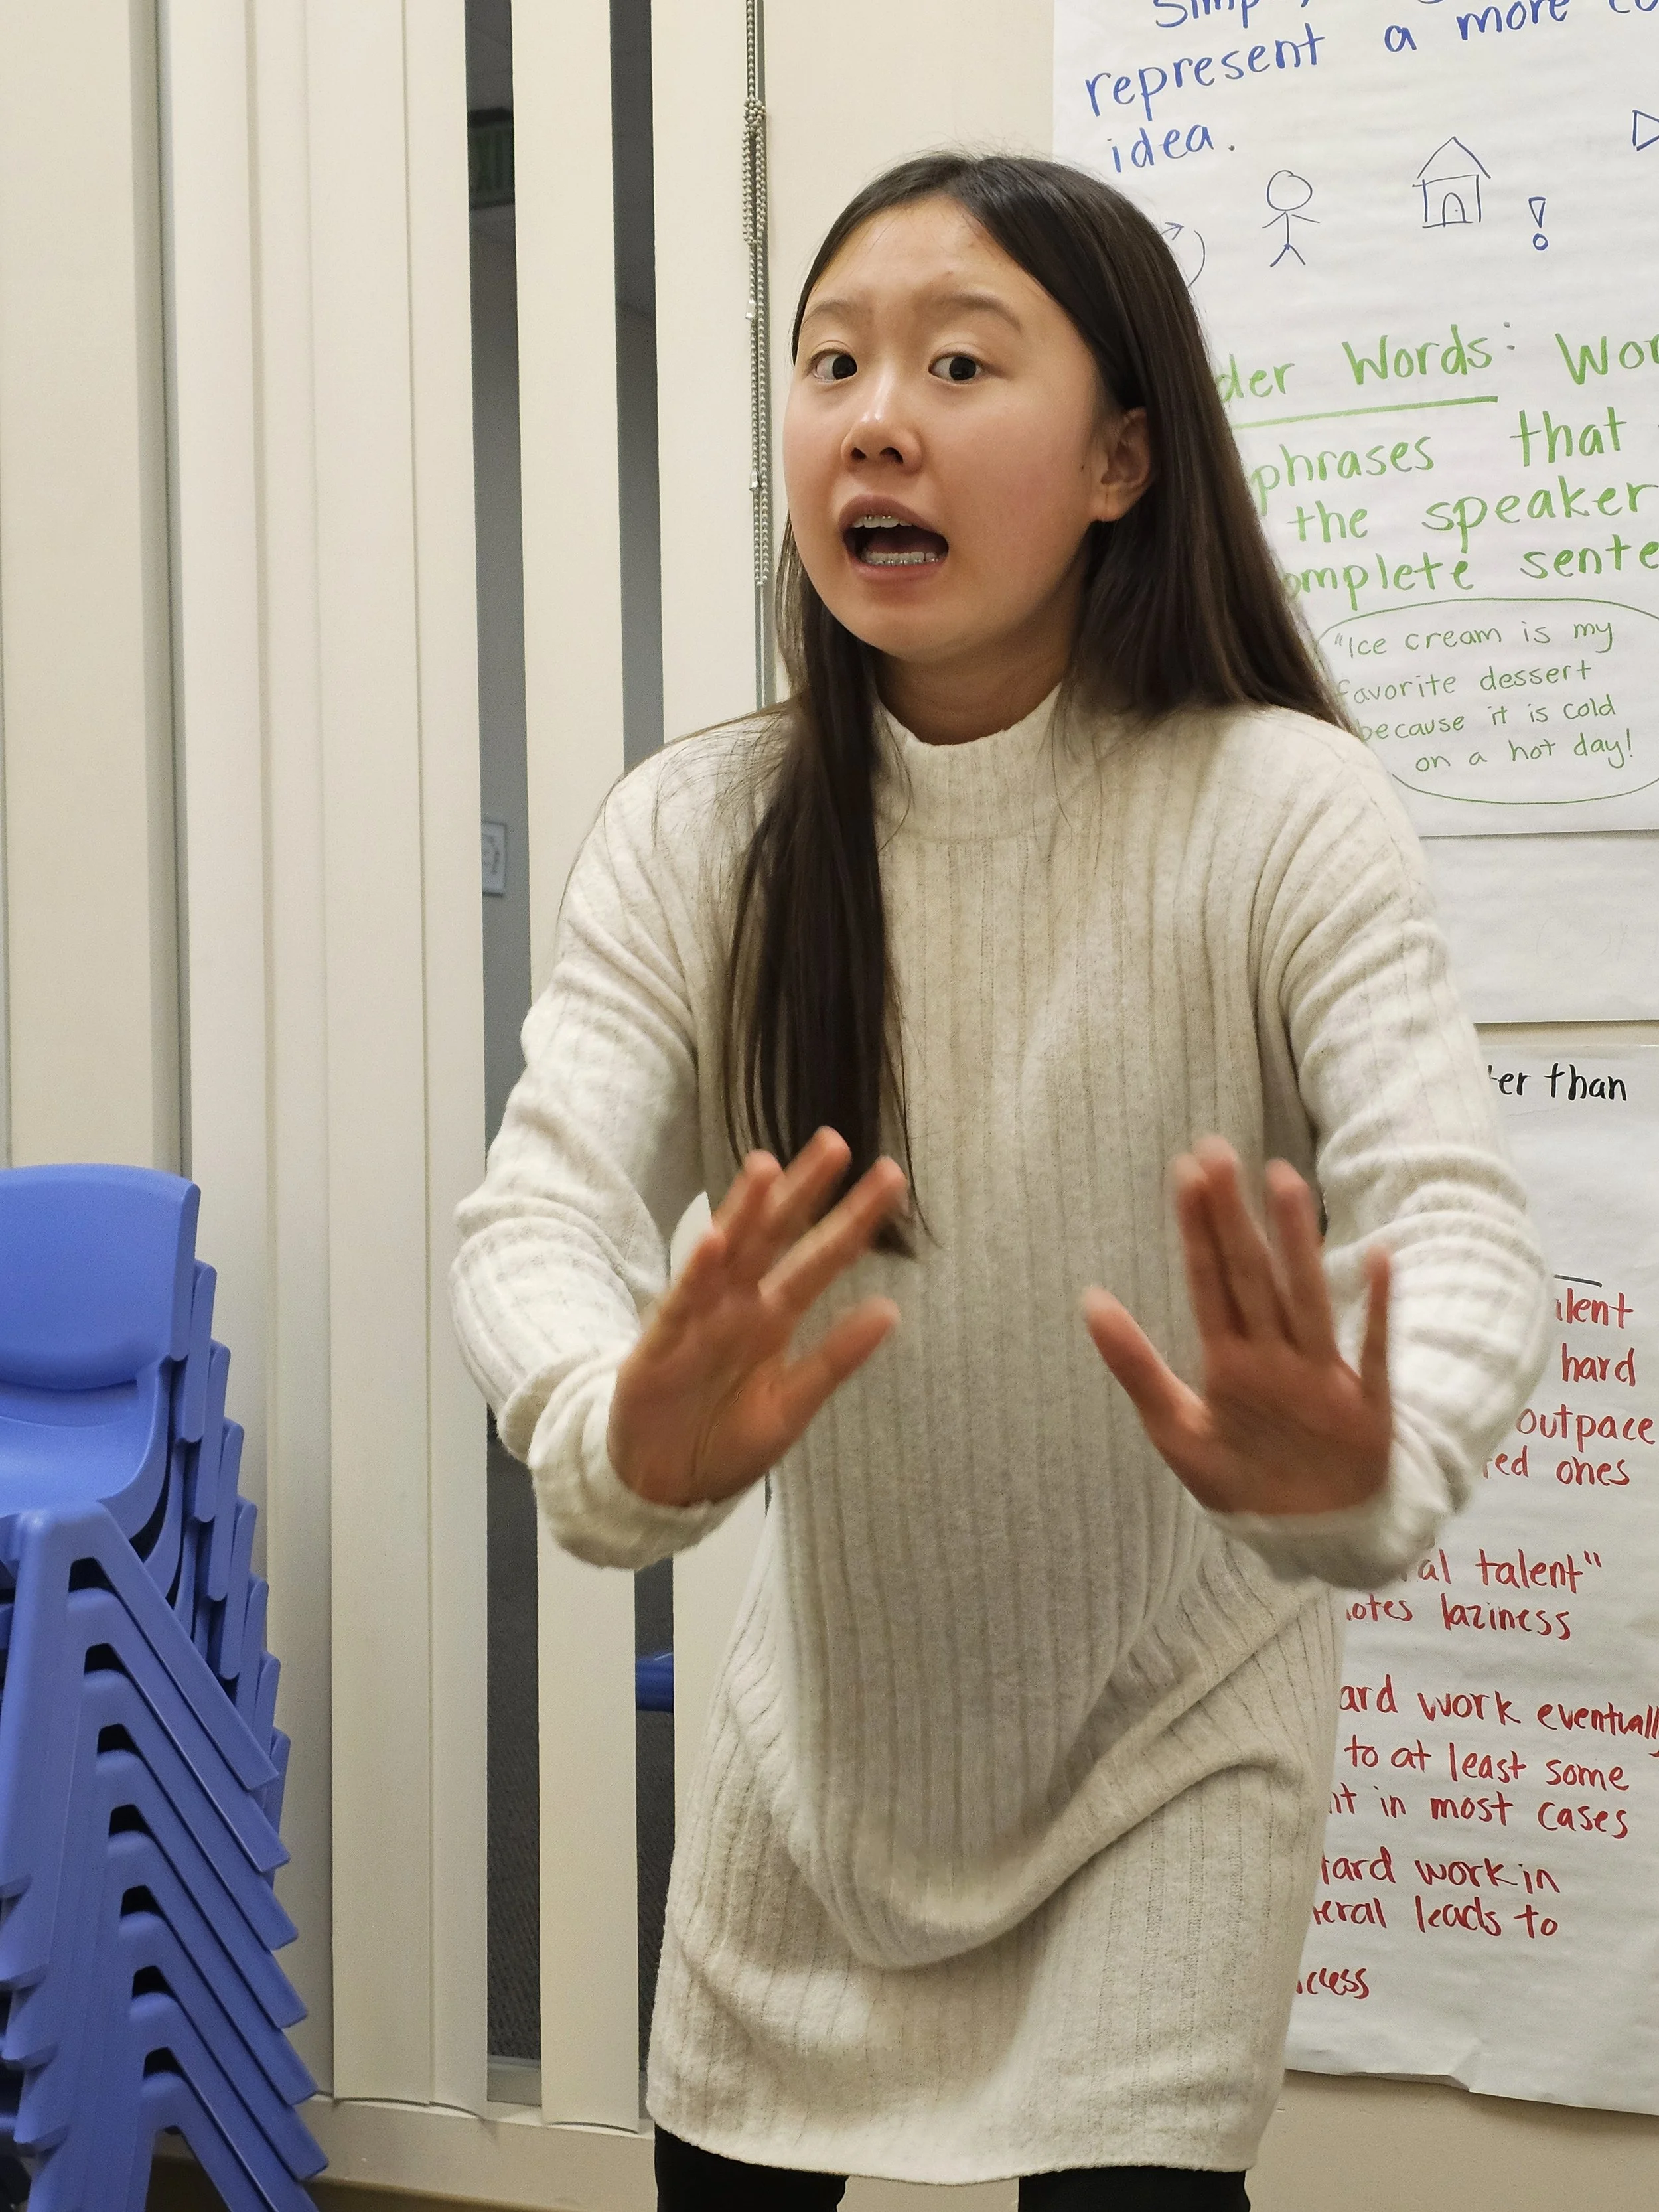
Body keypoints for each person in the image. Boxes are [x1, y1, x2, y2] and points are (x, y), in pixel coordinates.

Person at [451, 153, 1548, 2209]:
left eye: (960, 362)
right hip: (824, 1753)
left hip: (1173, 1738)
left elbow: (1456, 1222)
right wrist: (611, 1420)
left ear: (1123, 455)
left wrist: (1371, 1453)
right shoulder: (708, 830)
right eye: (833, 360)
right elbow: (537, 1211)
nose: (875, 413)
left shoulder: (1276, 805)